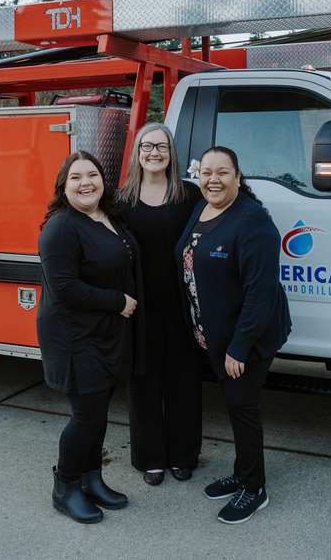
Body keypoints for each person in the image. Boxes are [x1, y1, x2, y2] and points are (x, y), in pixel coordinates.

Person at [176, 146, 291, 525]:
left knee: (243, 408)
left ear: (238, 177)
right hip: (217, 334)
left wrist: (238, 348)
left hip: (247, 338)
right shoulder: (204, 208)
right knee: (234, 405)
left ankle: (254, 488)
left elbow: (261, 293)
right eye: (206, 172)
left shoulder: (253, 222)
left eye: (223, 172)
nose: (213, 179)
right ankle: (243, 473)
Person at [37, 150, 144, 524]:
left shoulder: (107, 216)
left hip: (104, 332)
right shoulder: (61, 227)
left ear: (103, 180)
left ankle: (92, 479)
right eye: (77, 178)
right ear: (64, 187)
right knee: (86, 416)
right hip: (73, 337)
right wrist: (119, 302)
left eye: (93, 175)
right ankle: (65, 487)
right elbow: (64, 286)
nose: (86, 183)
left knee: (97, 413)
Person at [118, 122, 203, 486]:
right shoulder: (121, 200)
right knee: (144, 384)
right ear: (138, 153)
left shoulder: (191, 195)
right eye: (147, 146)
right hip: (140, 309)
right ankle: (150, 458)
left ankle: (184, 455)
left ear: (172, 153)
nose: (155, 153)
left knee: (185, 382)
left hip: (184, 307)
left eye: (162, 146)